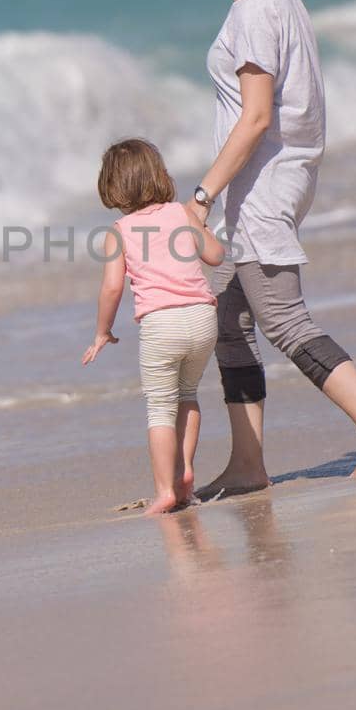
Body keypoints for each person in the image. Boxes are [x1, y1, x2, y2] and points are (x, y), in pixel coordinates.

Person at [175, 0, 356, 492]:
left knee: (283, 320)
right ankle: (249, 463)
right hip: (267, 180)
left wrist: (199, 198)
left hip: (261, 187)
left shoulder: (255, 13)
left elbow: (256, 118)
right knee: (229, 318)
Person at [82, 139, 225, 515]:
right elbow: (215, 255)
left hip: (162, 325)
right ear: (160, 175)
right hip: (202, 318)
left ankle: (164, 490)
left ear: (111, 186)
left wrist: (102, 331)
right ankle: (185, 472)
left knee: (160, 409)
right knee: (188, 394)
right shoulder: (181, 214)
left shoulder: (120, 231)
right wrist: (200, 225)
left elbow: (112, 287)